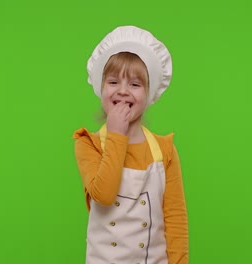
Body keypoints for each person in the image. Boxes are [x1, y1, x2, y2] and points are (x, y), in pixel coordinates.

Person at [73, 25, 189, 264]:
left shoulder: (164, 150)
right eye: (114, 82)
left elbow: (175, 220)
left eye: (135, 85)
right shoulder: (89, 144)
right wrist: (116, 134)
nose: (123, 91)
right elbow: (104, 196)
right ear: (101, 87)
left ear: (149, 94)